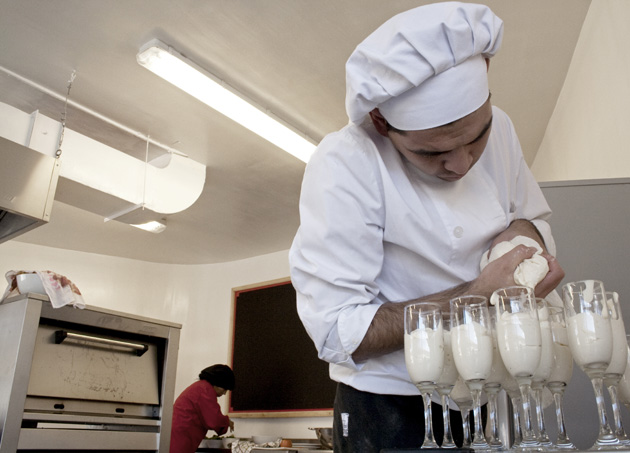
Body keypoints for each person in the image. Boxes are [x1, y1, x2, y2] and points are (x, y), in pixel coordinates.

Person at [288, 2, 565, 452]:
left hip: (487, 387)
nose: (461, 164)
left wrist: (518, 249)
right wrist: (477, 295)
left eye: (476, 138)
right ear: (381, 122)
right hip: (390, 403)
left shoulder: (503, 127)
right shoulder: (345, 163)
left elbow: (527, 216)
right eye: (432, 153)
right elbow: (341, 332)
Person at [170, 364, 235, 453]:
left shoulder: (200, 386)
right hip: (181, 438)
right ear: (217, 382)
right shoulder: (205, 390)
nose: (224, 393)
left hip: (177, 435)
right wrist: (227, 421)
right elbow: (214, 420)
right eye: (224, 389)